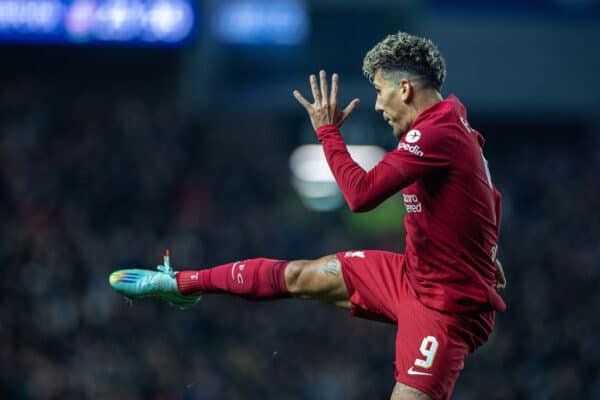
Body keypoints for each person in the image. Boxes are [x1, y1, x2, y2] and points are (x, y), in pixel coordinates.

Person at [109, 31, 507, 400]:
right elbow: (487, 194)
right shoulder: (455, 124)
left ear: (404, 89)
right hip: (414, 277)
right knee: (301, 275)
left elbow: (361, 195)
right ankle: (181, 285)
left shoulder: (434, 132)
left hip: (446, 309)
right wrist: (485, 255)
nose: (377, 104)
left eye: (379, 91)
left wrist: (328, 133)